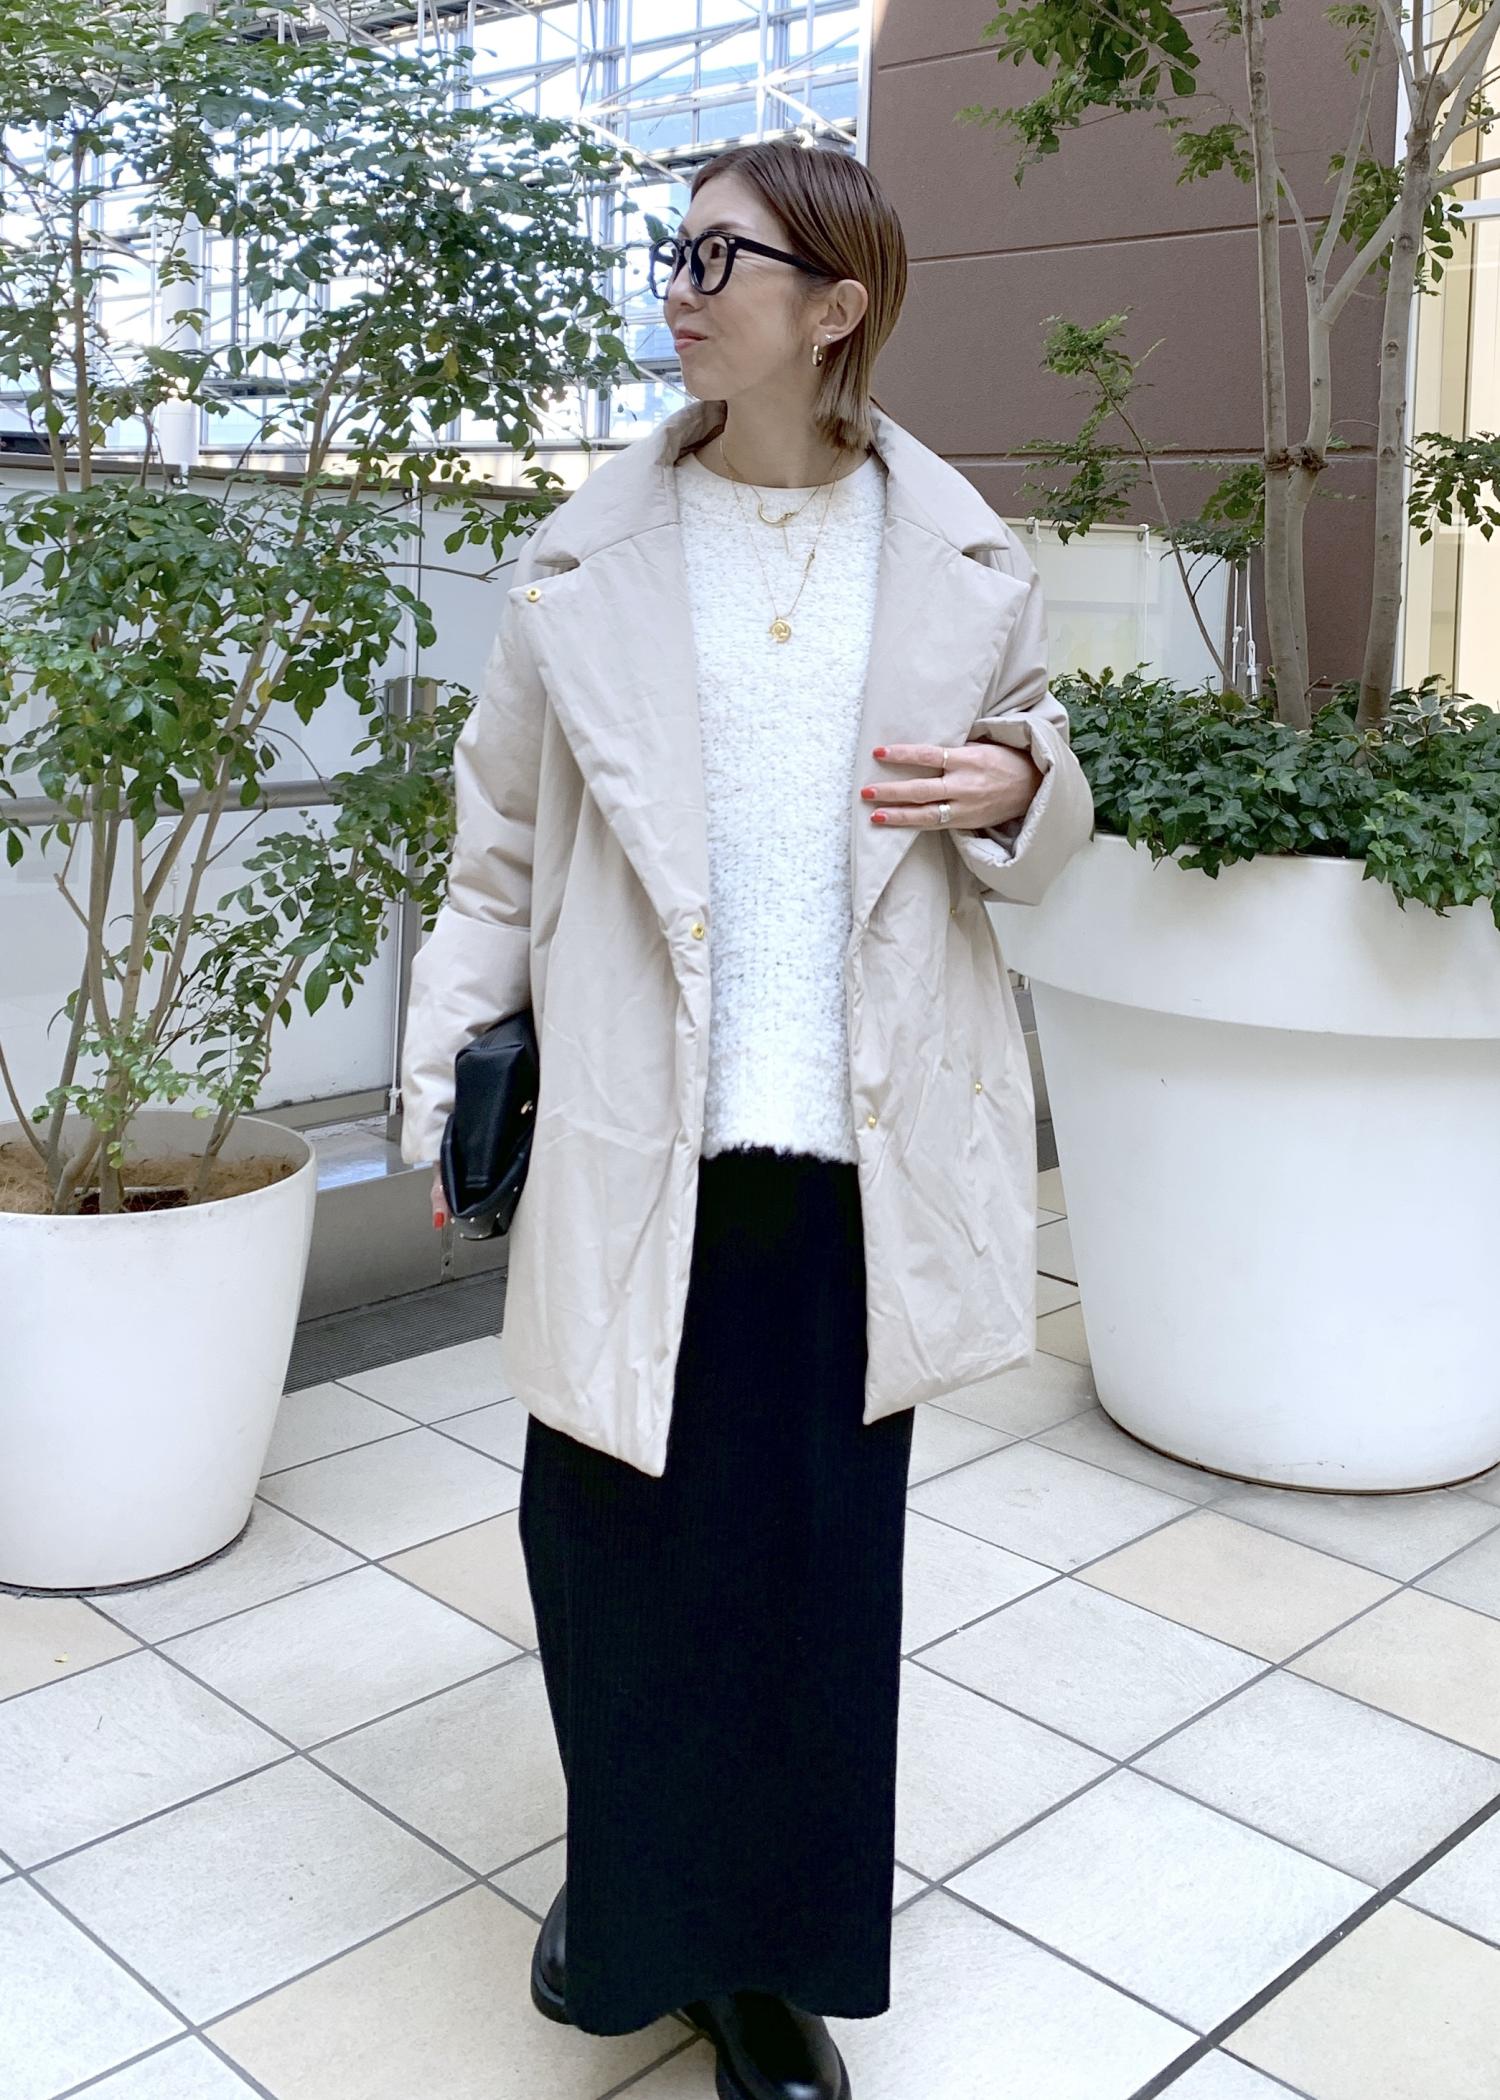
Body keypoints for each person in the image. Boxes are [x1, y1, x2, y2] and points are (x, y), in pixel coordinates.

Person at [400, 139, 1095, 2100]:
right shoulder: (590, 556)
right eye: (676, 248)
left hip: (850, 1162)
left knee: (808, 1581)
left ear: (836, 304)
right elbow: (497, 847)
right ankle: (632, 1913)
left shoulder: (957, 556)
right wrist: (449, 1080)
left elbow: (1040, 786)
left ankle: (769, 1974)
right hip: (640, 1140)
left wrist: (1021, 781)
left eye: (723, 256)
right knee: (606, 1549)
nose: (681, 286)